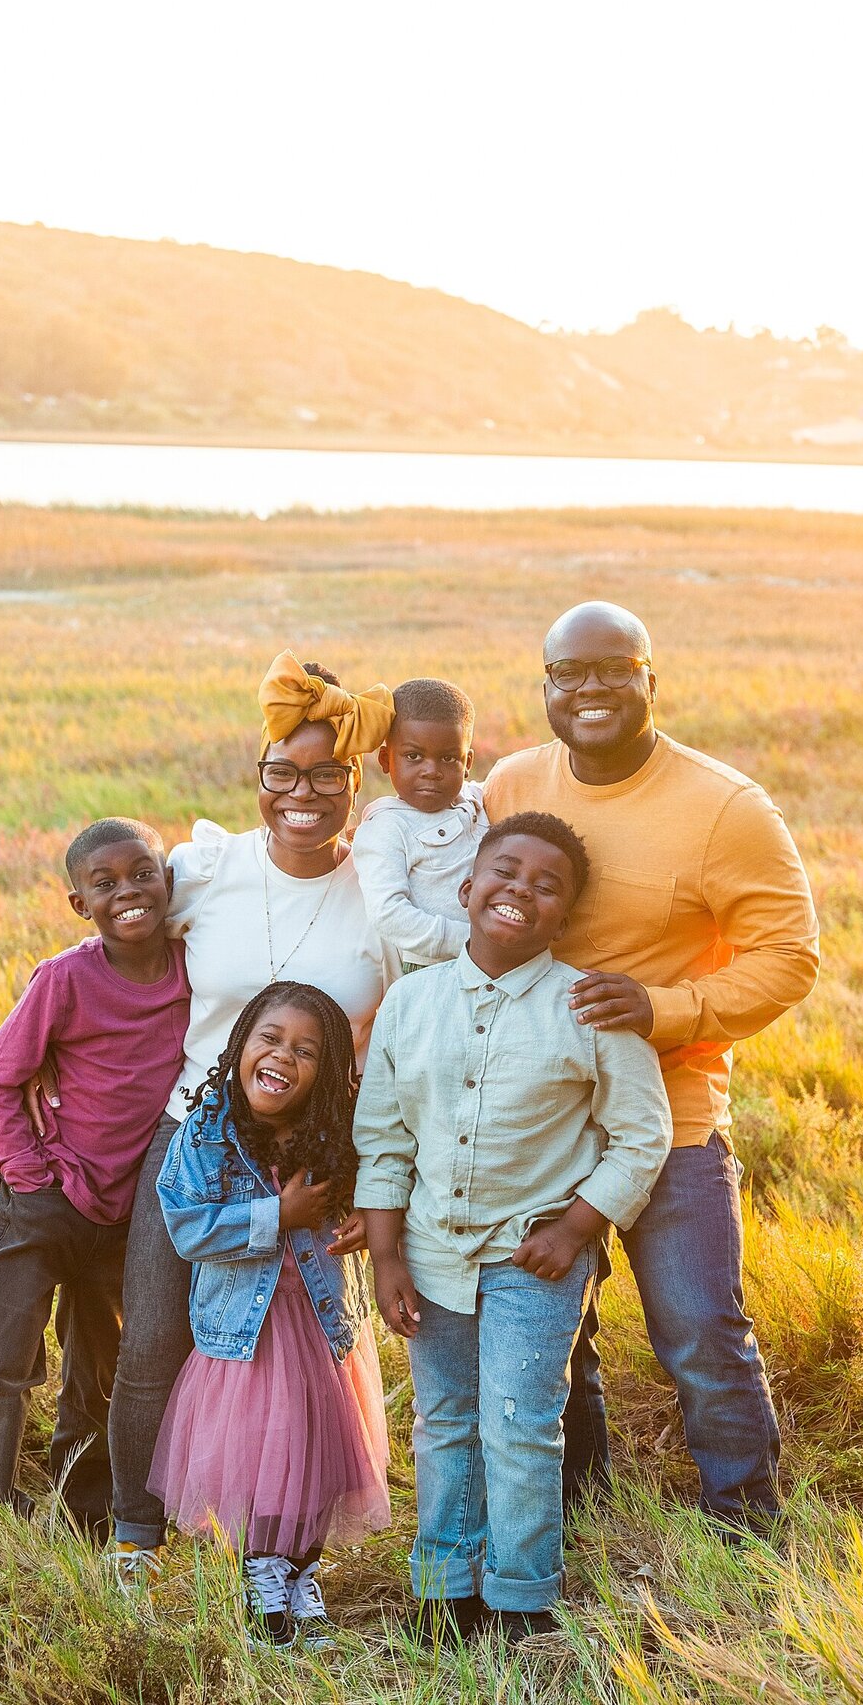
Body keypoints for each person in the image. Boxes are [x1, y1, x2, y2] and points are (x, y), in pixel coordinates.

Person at [483, 601, 820, 1533]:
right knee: (555, 1333)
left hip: (672, 1116)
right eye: (567, 674)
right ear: (546, 686)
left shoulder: (727, 807)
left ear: (650, 681)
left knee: (702, 1330)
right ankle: (576, 1501)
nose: (589, 689)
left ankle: (744, 1522)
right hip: (542, 1118)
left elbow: (790, 956)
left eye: (612, 669)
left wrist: (667, 1009)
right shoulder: (514, 782)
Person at [102, 651, 399, 1588]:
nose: (302, 793)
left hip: (316, 1153)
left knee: (302, 1347)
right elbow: (109, 937)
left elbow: (414, 1031)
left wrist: (374, 1183)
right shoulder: (210, 868)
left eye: (326, 775)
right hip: (195, 1138)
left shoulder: (381, 893)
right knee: (157, 1336)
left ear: (354, 784)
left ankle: (280, 1548)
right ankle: (136, 1537)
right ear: (258, 775)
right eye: (283, 772)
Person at [354, 813, 671, 1645]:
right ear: (466, 888)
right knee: (444, 1417)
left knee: (520, 1421)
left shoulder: (589, 1007)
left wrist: (575, 1231)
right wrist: (386, 1252)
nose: (520, 891)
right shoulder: (410, 1003)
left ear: (564, 915)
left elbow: (643, 1134)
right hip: (429, 1252)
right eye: (505, 872)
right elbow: (383, 1138)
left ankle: (522, 1597)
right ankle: (444, 1585)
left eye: (546, 885)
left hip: (536, 1260)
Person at [0, 818, 190, 1535]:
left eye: (142, 873)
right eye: (105, 884)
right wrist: (26, 1174)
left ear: (167, 880)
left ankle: (85, 1502)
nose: (128, 892)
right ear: (79, 904)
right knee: (2, 1360)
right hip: (43, 1203)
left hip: (126, 1216)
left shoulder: (192, 970)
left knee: (100, 1365)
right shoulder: (66, 978)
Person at [150, 982, 390, 1648]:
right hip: (243, 1336)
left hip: (319, 1326)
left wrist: (361, 1223)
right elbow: (187, 1229)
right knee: (259, 1458)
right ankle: (262, 1573)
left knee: (314, 1450)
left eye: (305, 1050)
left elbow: (371, 1196)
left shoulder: (335, 1136)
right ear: (241, 1045)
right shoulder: (208, 1132)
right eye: (271, 1038)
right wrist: (277, 1217)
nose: (282, 1056)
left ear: (328, 1071)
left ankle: (302, 1571)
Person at [351, 676, 487, 971]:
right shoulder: (386, 827)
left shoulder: (478, 800)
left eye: (449, 758)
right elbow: (388, 913)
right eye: (413, 756)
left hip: (495, 959)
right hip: (430, 966)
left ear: (468, 763)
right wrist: (473, 940)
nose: (431, 771)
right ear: (386, 760)